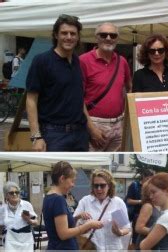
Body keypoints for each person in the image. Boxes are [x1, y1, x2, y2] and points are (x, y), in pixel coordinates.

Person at [26, 14, 89, 151]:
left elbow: (78, 97)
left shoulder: (77, 61)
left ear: (78, 37)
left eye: (73, 33)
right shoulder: (42, 61)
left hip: (80, 133)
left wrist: (90, 127)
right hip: (54, 134)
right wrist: (36, 136)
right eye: (64, 33)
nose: (69, 37)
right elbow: (31, 99)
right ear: (56, 35)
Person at [79, 22, 132, 151]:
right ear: (96, 37)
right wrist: (91, 128)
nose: (108, 38)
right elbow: (77, 97)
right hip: (95, 124)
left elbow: (129, 87)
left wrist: (124, 119)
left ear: (117, 39)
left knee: (112, 158)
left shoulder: (122, 61)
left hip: (119, 124)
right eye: (104, 35)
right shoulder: (83, 60)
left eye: (113, 35)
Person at [43, 161, 103, 250]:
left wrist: (77, 217)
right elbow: (64, 234)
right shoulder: (58, 199)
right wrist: (89, 225)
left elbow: (60, 226)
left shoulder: (48, 197)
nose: (73, 185)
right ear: (62, 179)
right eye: (72, 181)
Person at [74, 169, 131, 251]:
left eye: (102, 185)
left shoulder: (117, 202)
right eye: (96, 186)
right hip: (91, 248)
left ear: (109, 185)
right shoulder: (85, 201)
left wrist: (119, 232)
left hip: (113, 249)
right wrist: (79, 217)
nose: (99, 189)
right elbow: (73, 223)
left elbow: (126, 228)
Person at [139, 172, 168, 250]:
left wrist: (143, 243)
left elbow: (144, 246)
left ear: (167, 191)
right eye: (150, 193)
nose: (150, 196)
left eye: (153, 192)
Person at [1, 181, 37, 251]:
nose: (14, 194)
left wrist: (28, 220)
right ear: (6, 195)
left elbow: (36, 222)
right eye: (11, 193)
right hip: (10, 243)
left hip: (26, 242)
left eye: (16, 192)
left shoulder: (27, 205)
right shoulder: (3, 209)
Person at [125, 169, 155, 245]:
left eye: (152, 179)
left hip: (150, 216)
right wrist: (141, 201)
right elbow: (128, 200)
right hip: (137, 216)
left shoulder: (152, 187)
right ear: (143, 177)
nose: (150, 181)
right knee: (136, 240)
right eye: (148, 179)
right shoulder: (134, 185)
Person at [135, 180, 161, 248]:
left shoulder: (157, 205)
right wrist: (159, 233)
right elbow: (138, 228)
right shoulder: (148, 206)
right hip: (144, 244)